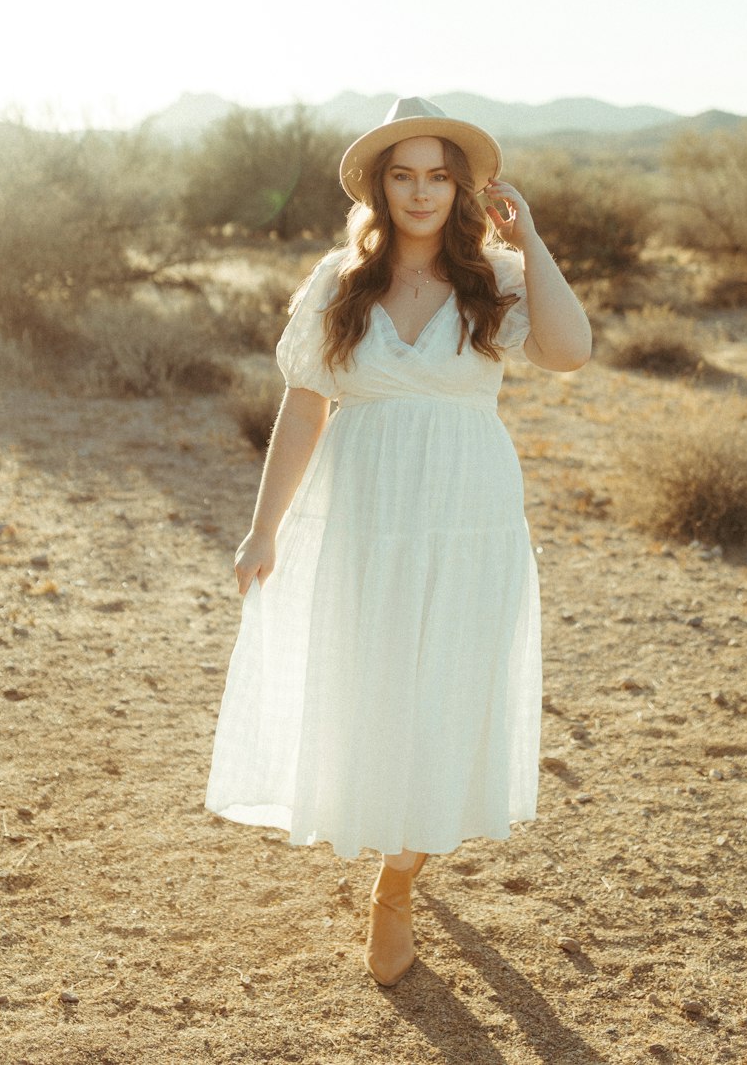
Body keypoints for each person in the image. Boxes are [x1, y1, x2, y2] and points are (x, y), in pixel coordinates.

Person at [205, 96, 591, 986]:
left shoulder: (494, 277)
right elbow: (305, 409)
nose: (421, 192)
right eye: (404, 175)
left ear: (464, 187)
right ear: (381, 186)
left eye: (439, 175)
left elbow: (570, 351)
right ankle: (395, 836)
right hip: (366, 515)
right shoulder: (341, 281)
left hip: (469, 515)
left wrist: (529, 240)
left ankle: (399, 881)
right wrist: (262, 528)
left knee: (448, 687)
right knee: (374, 685)